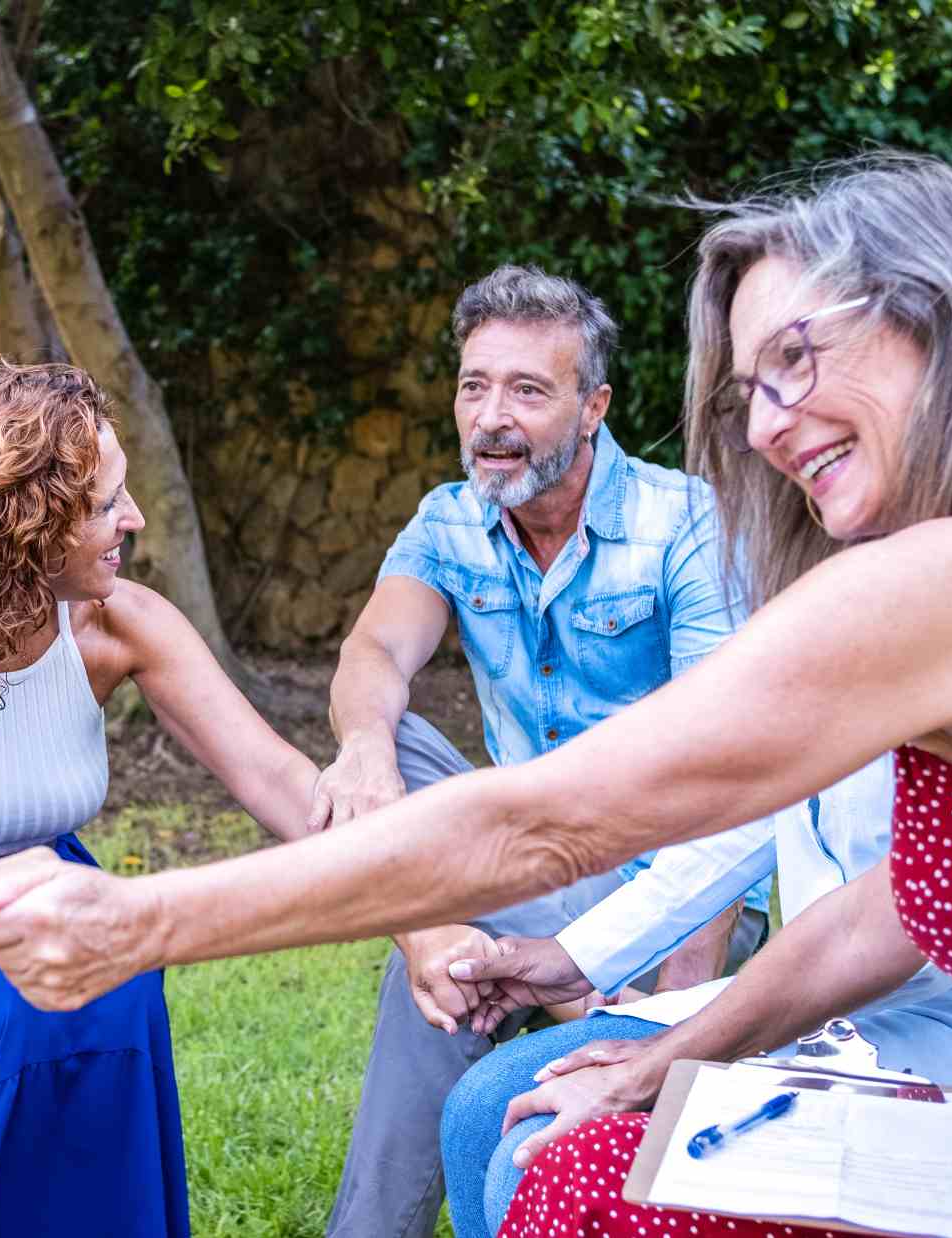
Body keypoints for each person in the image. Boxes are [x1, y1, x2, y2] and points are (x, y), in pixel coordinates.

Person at [0, 154, 952, 1238]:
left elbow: (553, 820)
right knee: (557, 1133)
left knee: (570, 1173)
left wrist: (144, 920)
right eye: (751, 389)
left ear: (935, 314)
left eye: (797, 358)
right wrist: (662, 1057)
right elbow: (885, 902)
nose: (763, 425)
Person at [309, 263, 772, 1238]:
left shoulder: (681, 523)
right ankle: (446, 937)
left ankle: (370, 1218)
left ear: (593, 404)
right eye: (474, 385)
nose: (490, 416)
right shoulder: (449, 519)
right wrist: (361, 747)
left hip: (676, 882)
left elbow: (729, 769)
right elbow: (374, 648)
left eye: (526, 388)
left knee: (440, 968)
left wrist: (675, 1008)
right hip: (530, 853)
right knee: (391, 728)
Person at [0, 359, 320, 1237]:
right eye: (104, 504)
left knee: (107, 988)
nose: (135, 520)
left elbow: (274, 776)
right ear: (22, 521)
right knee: (13, 1014)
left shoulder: (117, 623)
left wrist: (426, 917)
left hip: (60, 896)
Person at [438, 755, 952, 1237]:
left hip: (951, 1026)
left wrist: (658, 1065)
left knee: (539, 1158)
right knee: (484, 1105)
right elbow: (751, 807)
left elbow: (867, 942)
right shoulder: (826, 651)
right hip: (794, 996)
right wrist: (577, 957)